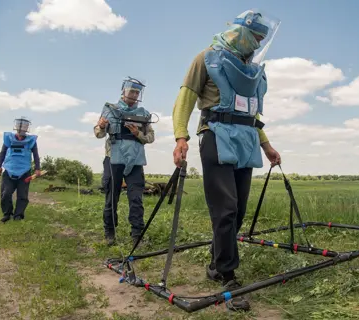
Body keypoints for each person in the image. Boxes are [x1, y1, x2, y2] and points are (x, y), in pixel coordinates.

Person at [171, 9, 282, 311]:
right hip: (216, 136)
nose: (257, 45)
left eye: (262, 40)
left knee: (239, 210)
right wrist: (181, 136)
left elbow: (251, 113)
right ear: (241, 32)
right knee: (226, 208)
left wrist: (267, 145)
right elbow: (186, 97)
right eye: (255, 38)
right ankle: (228, 274)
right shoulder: (206, 57)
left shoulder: (252, 70)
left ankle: (216, 263)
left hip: (246, 140)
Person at [94, 77, 155, 246]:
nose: (134, 95)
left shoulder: (144, 114)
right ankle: (110, 232)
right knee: (111, 197)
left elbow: (151, 137)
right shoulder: (109, 110)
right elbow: (98, 134)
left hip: (135, 160)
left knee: (136, 198)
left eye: (137, 92)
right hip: (113, 158)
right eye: (132, 91)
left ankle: (137, 234)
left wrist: (137, 134)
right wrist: (100, 126)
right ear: (123, 91)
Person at [0, 117, 41, 223]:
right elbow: (2, 153)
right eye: (20, 125)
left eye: (24, 125)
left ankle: (18, 215)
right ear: (16, 126)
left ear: (27, 127)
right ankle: (7, 214)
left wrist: (37, 168)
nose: (22, 127)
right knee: (6, 193)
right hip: (9, 171)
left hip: (25, 172)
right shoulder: (8, 138)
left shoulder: (31, 140)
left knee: (22, 195)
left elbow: (36, 155)